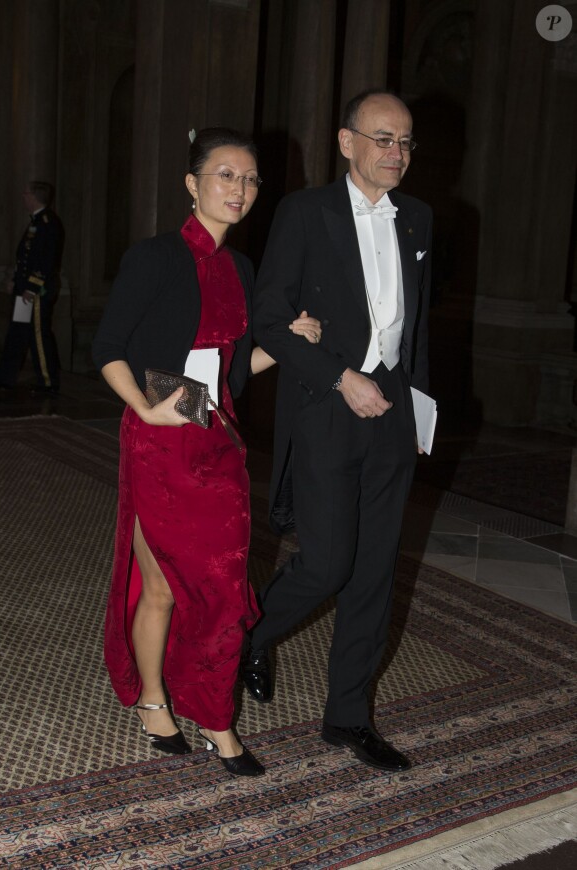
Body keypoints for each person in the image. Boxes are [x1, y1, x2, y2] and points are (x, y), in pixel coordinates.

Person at [92, 127, 322, 778]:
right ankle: (160, 702)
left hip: (216, 433)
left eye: (249, 180)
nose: (240, 190)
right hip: (161, 437)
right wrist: (142, 406)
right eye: (226, 175)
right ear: (192, 184)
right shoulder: (154, 257)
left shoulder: (241, 268)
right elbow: (106, 347)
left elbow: (233, 373)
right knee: (163, 586)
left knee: (221, 585)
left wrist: (288, 341)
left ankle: (213, 709)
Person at [241, 91, 433, 772]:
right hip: (327, 409)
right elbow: (267, 320)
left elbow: (418, 327)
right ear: (347, 142)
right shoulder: (304, 213)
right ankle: (249, 637)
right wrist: (339, 376)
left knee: (374, 575)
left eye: (406, 141)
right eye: (383, 139)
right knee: (327, 563)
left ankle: (348, 719)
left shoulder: (419, 219)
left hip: (393, 418)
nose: (397, 154)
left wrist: (420, 412)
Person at [0, 181, 64, 393]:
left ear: (34, 196)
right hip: (24, 289)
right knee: (17, 333)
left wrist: (31, 288)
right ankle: (5, 378)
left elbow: (45, 261)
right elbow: (25, 257)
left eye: (26, 193)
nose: (23, 197)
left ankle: (48, 382)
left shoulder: (47, 222)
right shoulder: (36, 221)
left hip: (35, 292)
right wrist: (14, 280)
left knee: (38, 335)